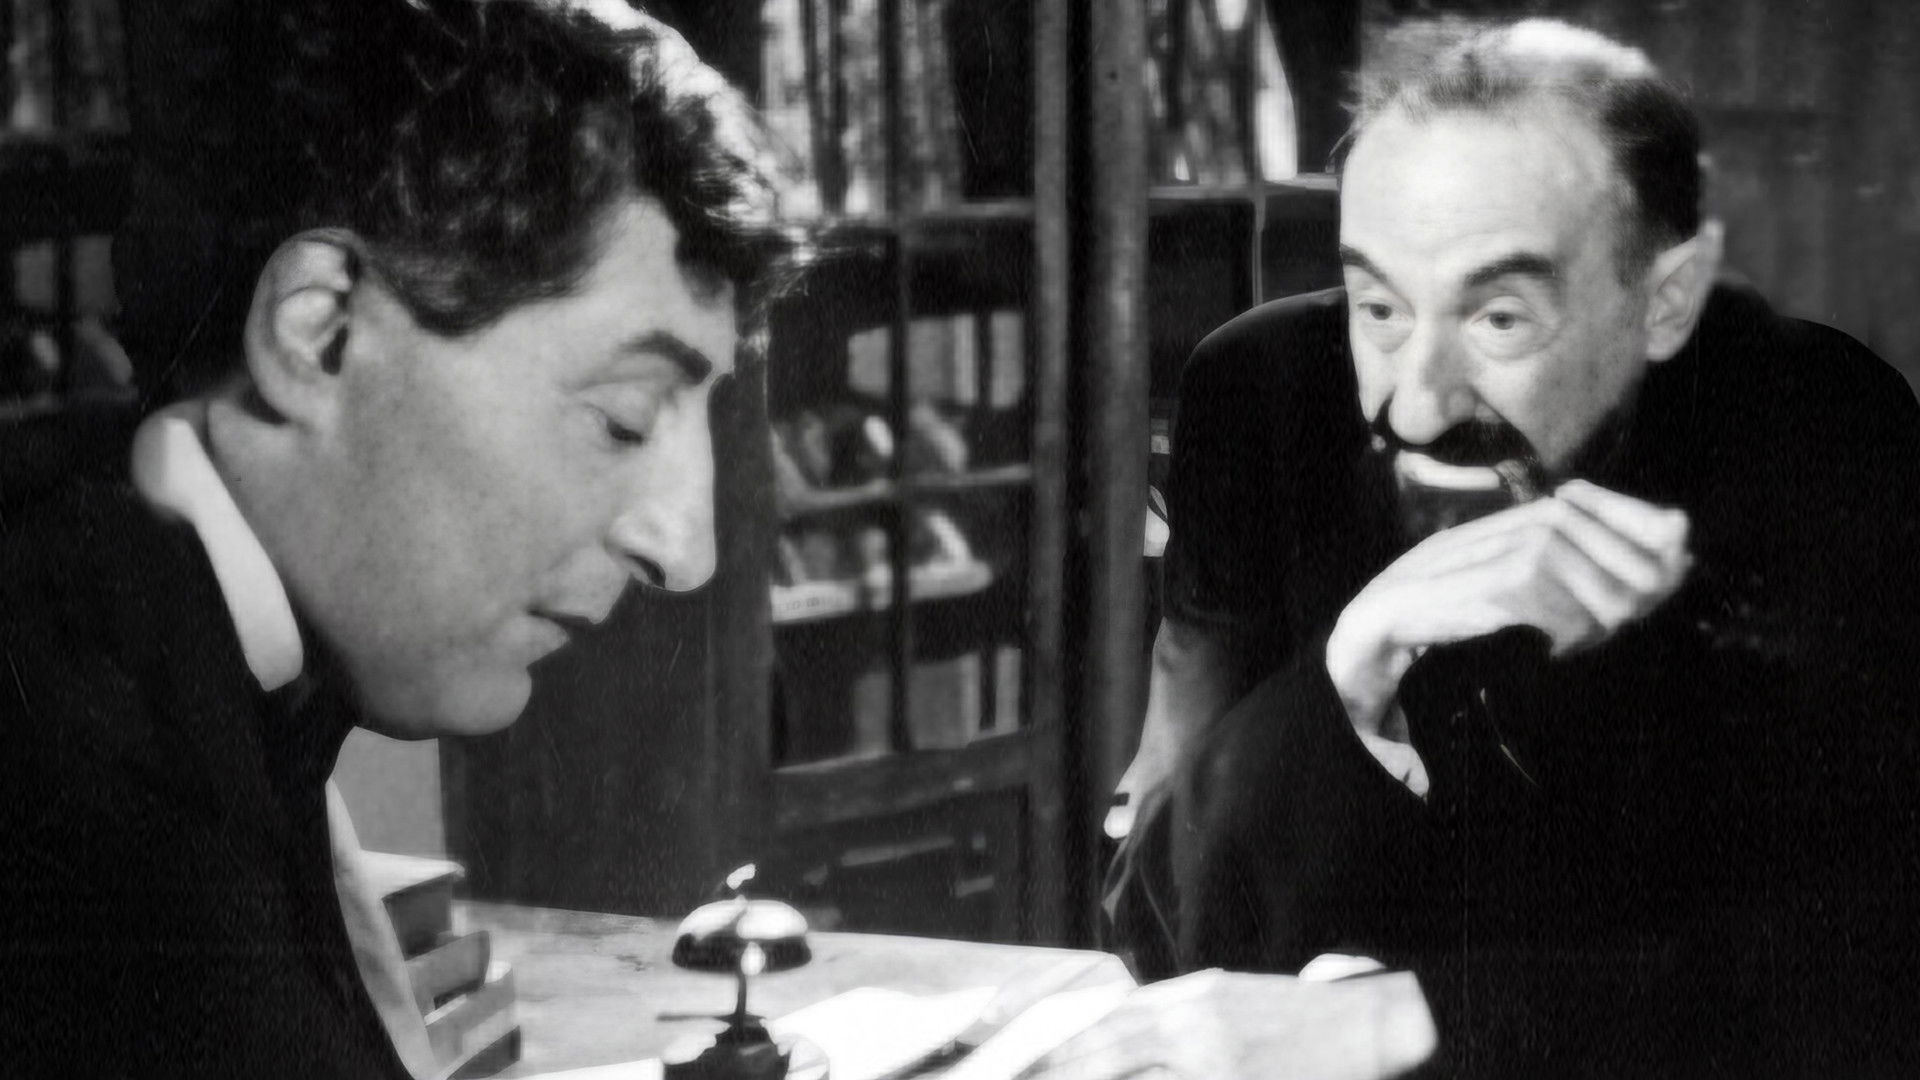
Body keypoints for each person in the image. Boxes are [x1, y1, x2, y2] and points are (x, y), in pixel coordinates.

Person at [1097, 18, 1920, 1078]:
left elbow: (1862, 964)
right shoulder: (1262, 397)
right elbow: (1151, 926)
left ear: (1663, 302)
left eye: (1499, 320)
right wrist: (1352, 665)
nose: (1417, 407)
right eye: (1379, 307)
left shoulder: (1812, 423)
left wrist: (1409, 1017)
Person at [0, 1, 781, 1075]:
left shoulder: (182, 655)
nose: (685, 552)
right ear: (322, 333)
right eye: (625, 417)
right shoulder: (91, 805)